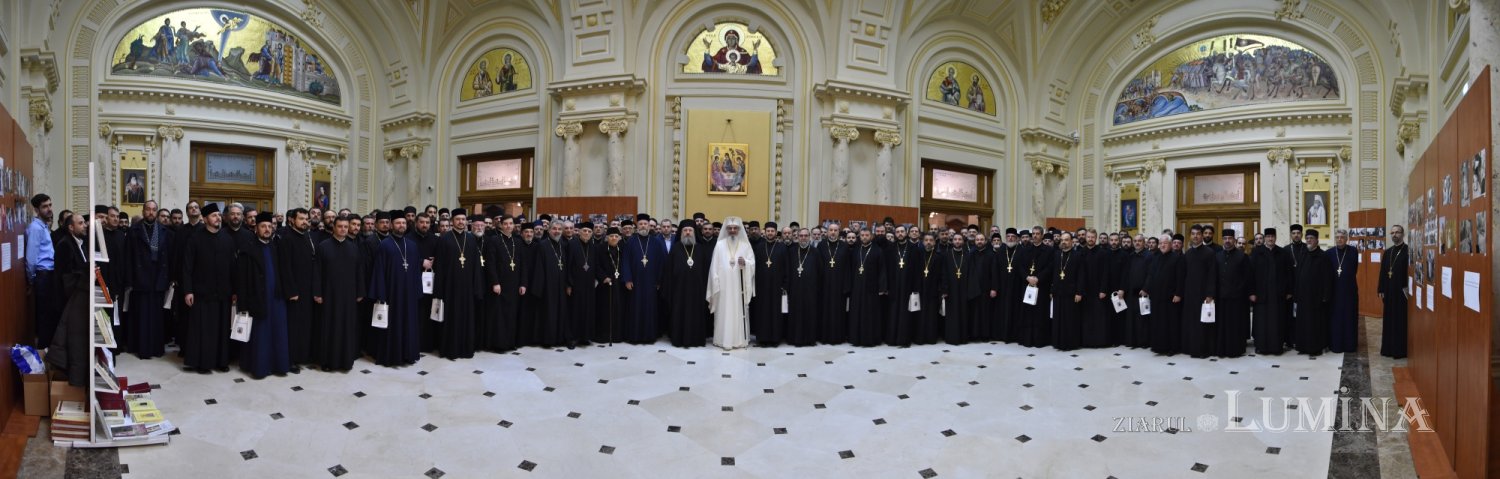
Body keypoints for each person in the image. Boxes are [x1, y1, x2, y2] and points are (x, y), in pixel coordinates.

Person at [181, 203, 237, 373]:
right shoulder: (195, 238)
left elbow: (233, 267)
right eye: (214, 216)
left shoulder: (227, 239)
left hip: (223, 294)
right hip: (201, 293)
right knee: (204, 330)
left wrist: (234, 290)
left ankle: (221, 361)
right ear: (205, 219)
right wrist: (188, 290)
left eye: (219, 215)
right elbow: (187, 267)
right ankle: (203, 363)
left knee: (221, 329)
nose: (218, 218)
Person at [234, 212, 290, 379]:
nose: (267, 229)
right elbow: (241, 279)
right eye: (263, 226)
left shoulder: (276, 246)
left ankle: (278, 366)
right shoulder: (247, 249)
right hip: (257, 298)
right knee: (261, 334)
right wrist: (243, 303)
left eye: (269, 226)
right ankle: (260, 368)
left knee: (278, 332)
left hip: (277, 298)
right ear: (256, 228)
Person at [366, 214, 423, 367]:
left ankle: (408, 354)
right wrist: (381, 294)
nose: (401, 225)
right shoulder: (385, 245)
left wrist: (418, 290)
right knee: (393, 324)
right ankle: (392, 356)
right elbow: (378, 271)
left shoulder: (411, 245)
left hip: (409, 294)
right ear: (392, 225)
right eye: (398, 223)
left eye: (403, 223)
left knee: (409, 324)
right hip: (392, 294)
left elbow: (417, 270)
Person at [45, 212, 90, 387]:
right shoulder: (65, 245)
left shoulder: (81, 243)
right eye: (80, 223)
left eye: (84, 223)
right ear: (71, 227)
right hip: (69, 299)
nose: (84, 225)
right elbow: (65, 276)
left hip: (79, 297)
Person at [313, 216, 363, 371]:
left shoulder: (354, 247)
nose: (343, 229)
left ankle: (346, 361)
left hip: (348, 295)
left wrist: (360, 291)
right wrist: (317, 292)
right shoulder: (323, 246)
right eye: (340, 226)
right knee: (329, 327)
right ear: (333, 227)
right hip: (329, 295)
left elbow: (359, 272)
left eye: (345, 227)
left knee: (347, 328)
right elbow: (317, 272)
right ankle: (328, 362)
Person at [124, 200, 173, 358]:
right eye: (148, 209)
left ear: (157, 212)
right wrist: (130, 279)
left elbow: (170, 257)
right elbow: (129, 257)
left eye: (154, 210)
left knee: (157, 317)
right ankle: (143, 349)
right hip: (141, 277)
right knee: (142, 315)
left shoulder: (165, 231)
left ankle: (156, 349)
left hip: (159, 276)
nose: (151, 212)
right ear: (143, 211)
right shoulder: (134, 231)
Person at [434, 209, 483, 358]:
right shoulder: (445, 239)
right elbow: (440, 266)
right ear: (452, 222)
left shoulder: (471, 239)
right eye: (458, 219)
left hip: (467, 287)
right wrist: (439, 290)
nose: (461, 222)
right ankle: (451, 349)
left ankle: (466, 349)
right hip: (450, 287)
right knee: (451, 318)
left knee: (467, 318)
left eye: (463, 219)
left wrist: (477, 287)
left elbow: (476, 265)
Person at [278, 208, 317, 370]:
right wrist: (291, 291)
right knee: (293, 327)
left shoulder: (307, 236)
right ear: (292, 220)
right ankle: (291, 359)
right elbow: (284, 268)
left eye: (306, 219)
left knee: (306, 325)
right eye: (301, 219)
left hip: (308, 290)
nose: (305, 222)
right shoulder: (286, 238)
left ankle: (303, 355)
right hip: (294, 292)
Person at [707, 217, 755, 349]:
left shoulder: (746, 245)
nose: (732, 230)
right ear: (726, 229)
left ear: (739, 230)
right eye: (730, 228)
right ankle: (722, 339)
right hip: (723, 287)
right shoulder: (719, 245)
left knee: (738, 312)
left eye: (735, 228)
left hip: (739, 287)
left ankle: (739, 339)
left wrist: (746, 263)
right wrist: (715, 283)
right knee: (724, 311)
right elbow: (714, 267)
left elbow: (752, 263)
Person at [621, 214, 668, 344]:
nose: (643, 226)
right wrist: (628, 279)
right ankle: (635, 336)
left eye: (645, 224)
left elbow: (661, 263)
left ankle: (649, 336)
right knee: (635, 309)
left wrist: (659, 280)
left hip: (651, 283)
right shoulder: (631, 241)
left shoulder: (656, 242)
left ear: (649, 226)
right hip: (635, 282)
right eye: (641, 224)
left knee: (650, 309)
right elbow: (625, 261)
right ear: (637, 226)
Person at [663, 220, 711, 347]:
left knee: (696, 314)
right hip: (679, 291)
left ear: (694, 233)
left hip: (697, 291)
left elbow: (706, 272)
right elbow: (668, 272)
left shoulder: (700, 249)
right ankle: (678, 339)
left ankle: (696, 339)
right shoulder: (675, 248)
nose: (688, 233)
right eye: (685, 230)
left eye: (690, 230)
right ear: (681, 232)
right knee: (679, 313)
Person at [481, 215, 524, 352]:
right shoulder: (494, 240)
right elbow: (490, 263)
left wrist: (523, 283)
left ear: (513, 225)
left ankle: (510, 342)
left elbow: (523, 265)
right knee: (499, 315)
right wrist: (495, 282)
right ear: (500, 225)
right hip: (500, 284)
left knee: (511, 315)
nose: (508, 226)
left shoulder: (517, 241)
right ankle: (499, 344)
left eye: (510, 224)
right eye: (505, 224)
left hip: (514, 284)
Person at [1250, 228, 1294, 355]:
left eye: (1272, 236)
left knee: (1277, 321)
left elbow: (1289, 273)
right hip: (1261, 295)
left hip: (1278, 295)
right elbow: (1251, 274)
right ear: (1265, 238)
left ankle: (1277, 347)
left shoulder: (1283, 253)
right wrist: (1252, 292)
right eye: (1268, 236)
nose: (1270, 239)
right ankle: (1261, 346)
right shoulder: (1257, 253)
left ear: (1275, 238)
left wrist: (1289, 290)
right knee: (1261, 322)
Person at [1179, 225, 1219, 358]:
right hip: (1189, 294)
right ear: (1190, 236)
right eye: (1193, 234)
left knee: (1202, 324)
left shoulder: (1209, 253)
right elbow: (1184, 275)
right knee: (1190, 322)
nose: (1195, 236)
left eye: (1198, 234)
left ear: (1202, 236)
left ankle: (1203, 350)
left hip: (1203, 294)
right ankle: (1189, 348)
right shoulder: (1188, 253)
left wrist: (1210, 295)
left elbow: (1212, 275)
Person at [1292, 230, 1333, 355]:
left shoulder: (1323, 256)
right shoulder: (1303, 254)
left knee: (1315, 323)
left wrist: (1326, 295)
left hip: (1316, 297)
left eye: (1311, 238)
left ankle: (1315, 348)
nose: (1309, 240)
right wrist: (1296, 293)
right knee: (1303, 322)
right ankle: (1303, 346)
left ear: (1317, 240)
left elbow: (1327, 278)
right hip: (1303, 297)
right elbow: (1297, 275)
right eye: (1307, 238)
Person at [26, 194, 58, 348]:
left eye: (50, 205)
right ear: (37, 209)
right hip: (42, 275)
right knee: (44, 315)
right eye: (45, 206)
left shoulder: (44, 227)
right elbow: (31, 258)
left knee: (50, 314)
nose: (49, 209)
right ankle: (43, 349)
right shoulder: (35, 228)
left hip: (49, 274)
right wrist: (32, 279)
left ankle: (48, 348)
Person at [784, 228, 825, 346]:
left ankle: (809, 339)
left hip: (810, 290)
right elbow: (787, 269)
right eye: (801, 236)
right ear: (798, 237)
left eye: (806, 236)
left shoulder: (815, 252)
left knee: (809, 314)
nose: (803, 238)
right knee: (795, 314)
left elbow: (820, 271)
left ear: (809, 237)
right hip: (795, 289)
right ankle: (793, 338)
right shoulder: (792, 251)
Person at [847, 228, 888, 346]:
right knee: (856, 313)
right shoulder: (855, 250)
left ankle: (870, 339)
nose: (864, 237)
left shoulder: (878, 251)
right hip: (856, 287)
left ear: (871, 236)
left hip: (872, 289)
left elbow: (882, 271)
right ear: (859, 236)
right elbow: (850, 269)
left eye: (867, 235)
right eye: (862, 235)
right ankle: (855, 338)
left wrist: (882, 288)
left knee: (870, 314)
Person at [751, 222, 789, 346]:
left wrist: (785, 284)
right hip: (762, 287)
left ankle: (775, 339)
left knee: (775, 313)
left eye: (772, 231)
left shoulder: (782, 247)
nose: (770, 233)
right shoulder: (759, 247)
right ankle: (762, 338)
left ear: (776, 232)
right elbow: (754, 268)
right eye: (768, 231)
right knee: (762, 312)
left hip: (777, 287)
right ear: (765, 231)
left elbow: (786, 267)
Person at [1214, 230, 1251, 357]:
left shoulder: (1242, 256)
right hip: (1220, 297)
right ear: (1222, 240)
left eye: (1230, 238)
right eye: (1225, 238)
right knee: (1221, 325)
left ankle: (1235, 349)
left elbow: (1247, 278)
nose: (1227, 240)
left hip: (1237, 298)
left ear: (1234, 240)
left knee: (1235, 325)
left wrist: (1238, 291)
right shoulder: (1217, 256)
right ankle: (1221, 349)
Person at [1146, 234, 1183, 355]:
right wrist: (1147, 289)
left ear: (1171, 244)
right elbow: (1151, 276)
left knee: (1170, 324)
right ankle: (1158, 346)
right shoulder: (1155, 257)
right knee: (1157, 323)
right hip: (1157, 297)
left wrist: (1178, 293)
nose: (1162, 245)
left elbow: (1180, 278)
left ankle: (1172, 348)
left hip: (1170, 297)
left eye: (1165, 243)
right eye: (1160, 243)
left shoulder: (1177, 258)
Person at [1050, 232, 1086, 351]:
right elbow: (1054, 274)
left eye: (1066, 240)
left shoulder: (1077, 255)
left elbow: (1081, 275)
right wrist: (1052, 290)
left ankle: (1071, 343)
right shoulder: (1056, 254)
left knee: (1070, 319)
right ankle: (1058, 342)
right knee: (1058, 319)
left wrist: (1079, 292)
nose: (1064, 242)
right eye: (1062, 240)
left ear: (1071, 241)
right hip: (1058, 292)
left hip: (1071, 293)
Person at [1378, 226, 1410, 358]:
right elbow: (1383, 273)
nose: (1394, 235)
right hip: (1389, 292)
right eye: (1392, 233)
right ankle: (1388, 349)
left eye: (1397, 232)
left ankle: (1399, 350)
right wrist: (1380, 289)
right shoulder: (1388, 252)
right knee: (1389, 321)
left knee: (1400, 321)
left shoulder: (1408, 251)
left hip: (1402, 292)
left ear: (1403, 234)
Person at [1327, 229, 1360, 353]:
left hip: (1349, 290)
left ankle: (1350, 344)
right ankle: (1335, 344)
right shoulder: (1329, 253)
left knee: (1349, 317)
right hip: (1334, 291)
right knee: (1335, 318)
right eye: (1337, 237)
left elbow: (1354, 270)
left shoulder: (1353, 251)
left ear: (1346, 239)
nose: (1339, 239)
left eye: (1342, 237)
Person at [566, 222, 598, 347]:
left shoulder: (593, 246)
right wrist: (568, 284)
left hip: (589, 284)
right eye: (584, 231)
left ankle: (585, 336)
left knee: (588, 310)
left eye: (589, 232)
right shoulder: (572, 244)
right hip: (575, 284)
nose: (587, 233)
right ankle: (573, 337)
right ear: (579, 232)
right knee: (575, 311)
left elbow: (595, 265)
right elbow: (568, 265)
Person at [819, 229, 854, 344]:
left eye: (835, 230)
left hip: (840, 286)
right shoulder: (821, 245)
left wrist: (847, 286)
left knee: (838, 312)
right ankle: (824, 337)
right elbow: (818, 266)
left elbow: (848, 268)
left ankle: (838, 337)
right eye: (831, 230)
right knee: (824, 311)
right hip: (824, 285)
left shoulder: (844, 246)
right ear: (827, 232)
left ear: (838, 233)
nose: (833, 232)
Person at [594, 227, 627, 344]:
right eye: (611, 236)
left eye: (616, 236)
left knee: (618, 309)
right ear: (607, 238)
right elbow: (596, 265)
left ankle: (617, 336)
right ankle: (604, 336)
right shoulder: (600, 249)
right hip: (605, 285)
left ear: (619, 238)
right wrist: (603, 277)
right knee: (605, 310)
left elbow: (626, 264)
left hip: (619, 285)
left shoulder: (622, 249)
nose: (614, 238)